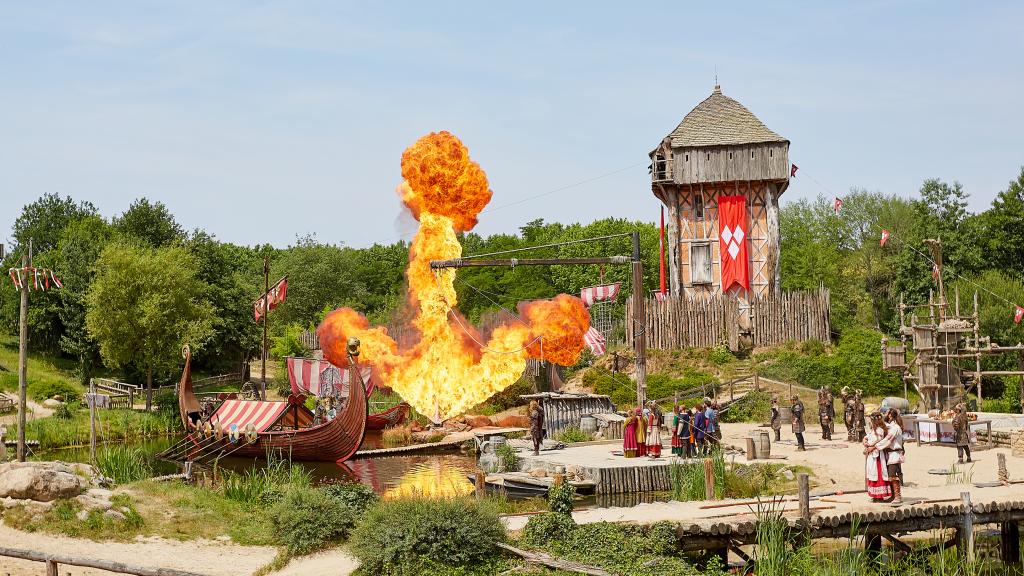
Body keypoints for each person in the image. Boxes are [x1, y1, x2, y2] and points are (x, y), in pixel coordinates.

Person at [863, 413, 893, 502]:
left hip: (877, 455)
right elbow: (867, 437)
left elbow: (877, 441)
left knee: (878, 474)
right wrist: (865, 441)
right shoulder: (873, 430)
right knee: (872, 473)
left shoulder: (880, 430)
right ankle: (875, 496)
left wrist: (869, 447)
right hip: (872, 454)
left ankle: (880, 496)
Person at [883, 408, 906, 506]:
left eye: (886, 413)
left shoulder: (895, 428)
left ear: (890, 415)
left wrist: (875, 446)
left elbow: (888, 440)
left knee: (892, 475)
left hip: (894, 454)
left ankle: (897, 497)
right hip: (890, 454)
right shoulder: (892, 426)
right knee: (889, 475)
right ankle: (893, 496)